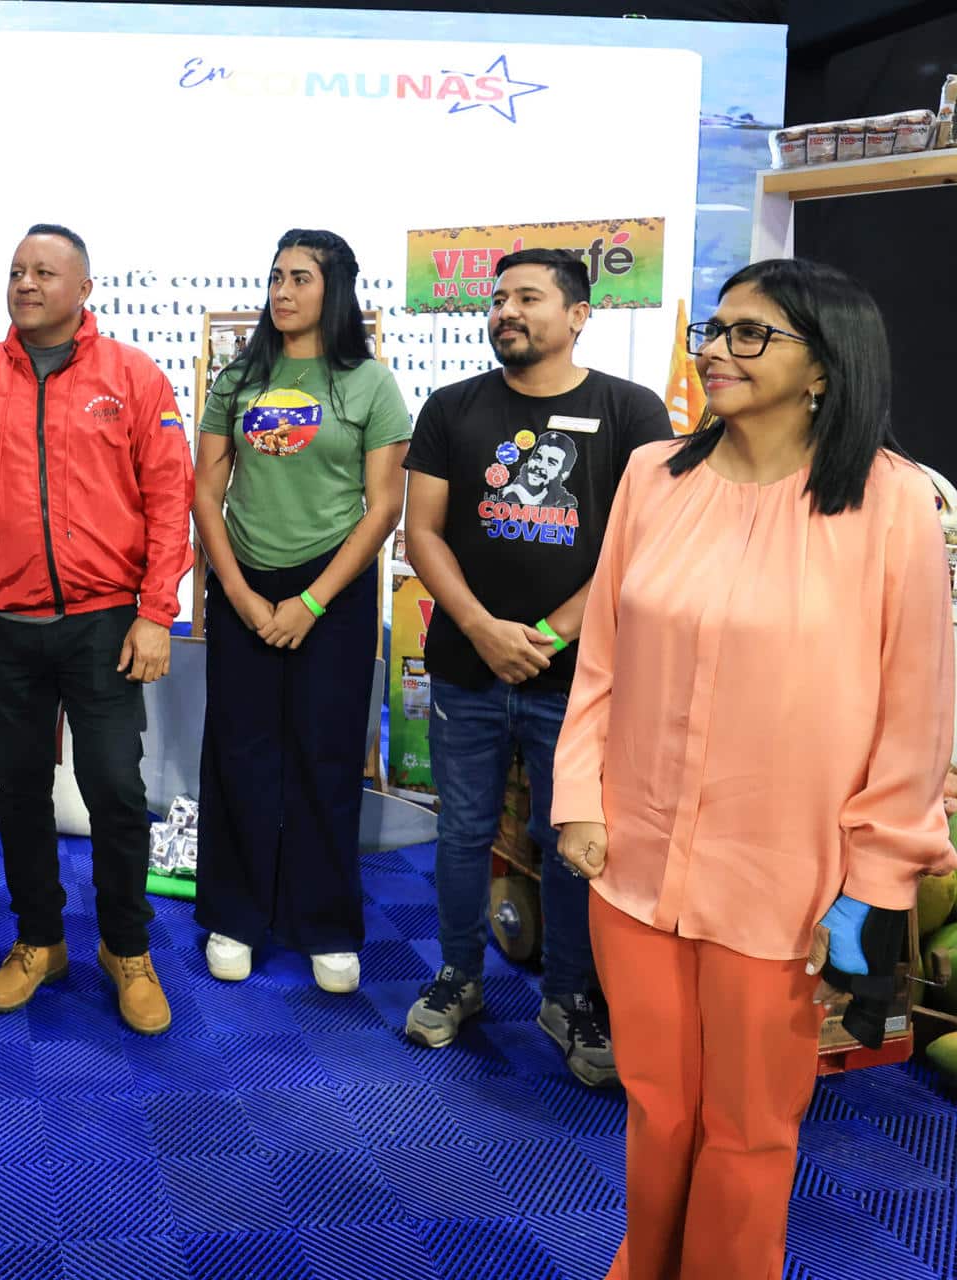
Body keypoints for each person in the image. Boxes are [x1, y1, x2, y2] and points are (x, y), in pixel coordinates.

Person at [552, 258, 955, 1277]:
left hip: (786, 878)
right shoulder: (654, 474)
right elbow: (601, 656)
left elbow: (916, 712)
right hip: (633, 855)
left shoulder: (895, 503)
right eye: (714, 331)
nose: (717, 351)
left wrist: (876, 878)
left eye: (749, 334)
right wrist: (577, 796)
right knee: (658, 1103)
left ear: (823, 363)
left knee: (749, 1125)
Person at [401, 247, 671, 1086]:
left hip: (581, 680)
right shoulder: (452, 406)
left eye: (528, 297)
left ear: (579, 314)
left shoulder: (631, 411)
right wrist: (482, 628)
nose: (506, 311)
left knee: (571, 844)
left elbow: (642, 547)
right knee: (461, 834)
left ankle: (569, 998)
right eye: (498, 297)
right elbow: (423, 534)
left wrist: (549, 636)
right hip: (467, 666)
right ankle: (458, 977)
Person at [0, 224, 193, 1034]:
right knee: (20, 794)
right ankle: (39, 941)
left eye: (44, 271)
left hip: (105, 625)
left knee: (114, 790)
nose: (25, 283)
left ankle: (125, 949)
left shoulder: (132, 377)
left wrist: (154, 613)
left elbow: (168, 499)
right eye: (15, 271)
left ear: (84, 290)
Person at [191, 229, 411, 994]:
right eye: (276, 277)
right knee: (240, 751)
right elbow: (205, 496)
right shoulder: (238, 377)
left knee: (324, 755)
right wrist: (244, 597)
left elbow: (384, 507)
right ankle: (235, 914)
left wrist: (313, 601)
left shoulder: (369, 384)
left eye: (300, 279)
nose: (282, 292)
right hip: (244, 579)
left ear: (334, 289)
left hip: (335, 588)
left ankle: (323, 923)